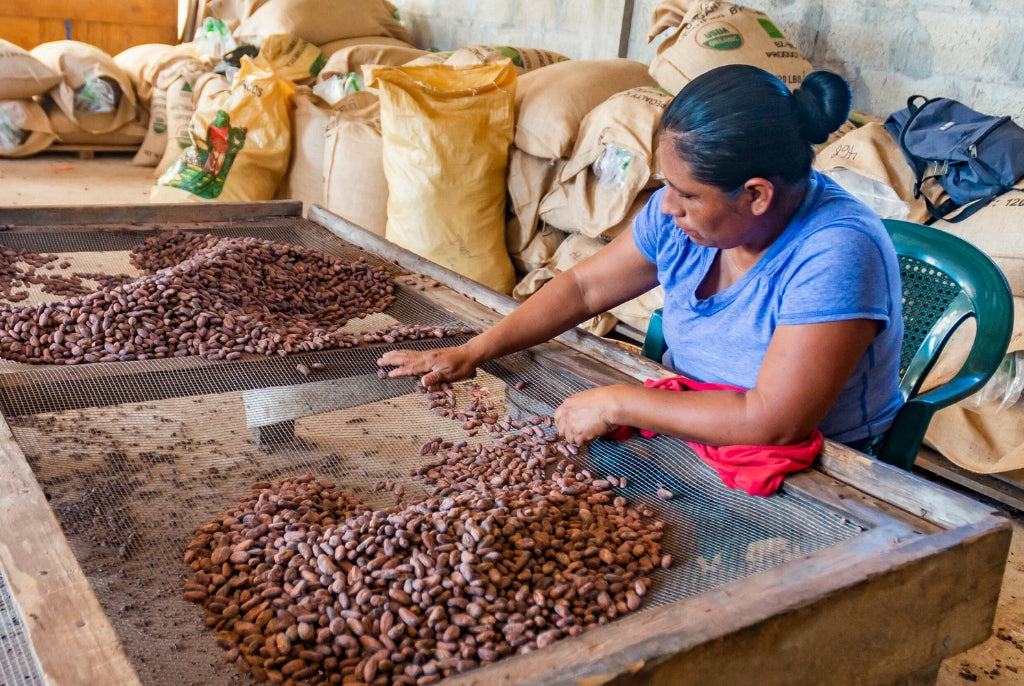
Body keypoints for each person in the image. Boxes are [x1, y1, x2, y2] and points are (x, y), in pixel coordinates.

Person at [378, 64, 904, 453]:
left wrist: (617, 401)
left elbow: (772, 421)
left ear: (757, 195)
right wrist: (474, 351)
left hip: (816, 464)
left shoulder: (837, 250)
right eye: (667, 186)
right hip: (688, 416)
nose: (666, 205)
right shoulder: (679, 214)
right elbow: (585, 288)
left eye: (688, 194)